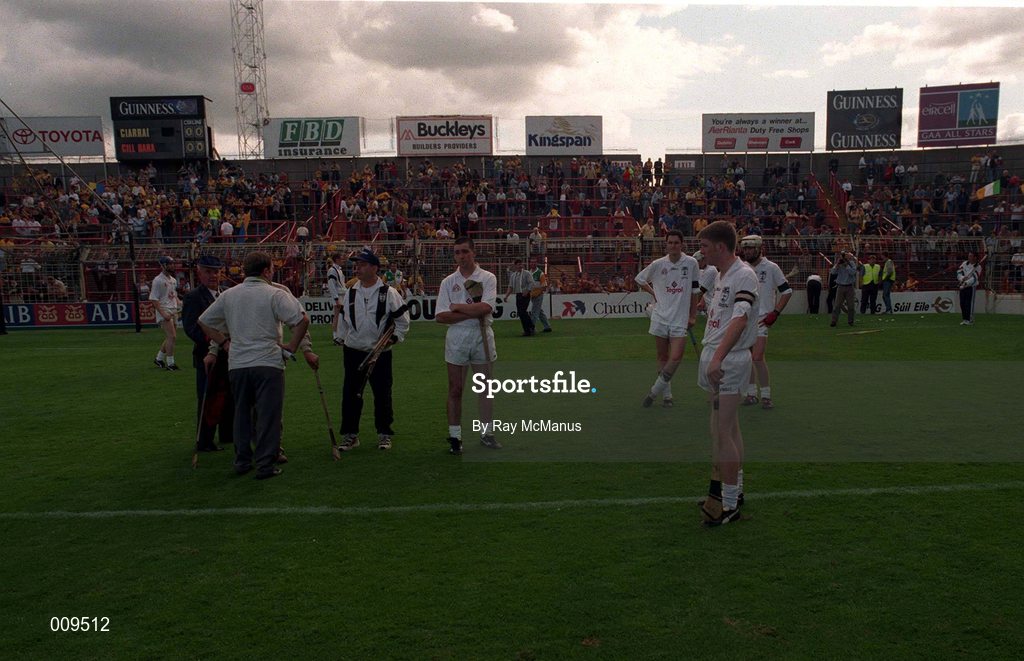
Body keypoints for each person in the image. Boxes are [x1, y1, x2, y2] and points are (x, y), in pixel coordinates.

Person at [198, 251, 312, 480]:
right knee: (268, 416)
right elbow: (302, 319)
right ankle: (265, 465)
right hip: (268, 362)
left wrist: (224, 343)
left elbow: (204, 321)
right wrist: (292, 346)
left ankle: (241, 461)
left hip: (238, 363)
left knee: (241, 414)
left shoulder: (230, 295)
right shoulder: (274, 293)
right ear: (266, 271)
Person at [696, 220, 759, 527]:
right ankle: (732, 491)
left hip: (729, 361)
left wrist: (717, 357)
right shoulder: (720, 275)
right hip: (719, 357)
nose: (701, 252)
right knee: (726, 429)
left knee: (722, 432)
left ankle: (730, 503)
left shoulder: (743, 274)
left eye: (705, 247)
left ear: (720, 247)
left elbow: (741, 318)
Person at [336, 249, 410, 451]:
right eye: (356, 264)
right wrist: (342, 339)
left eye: (362, 264)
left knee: (382, 394)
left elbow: (402, 322)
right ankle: (350, 434)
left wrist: (392, 340)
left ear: (375, 268)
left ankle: (384, 434)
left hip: (380, 353)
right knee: (350, 394)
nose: (357, 268)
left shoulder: (389, 293)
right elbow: (343, 321)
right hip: (353, 351)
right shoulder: (349, 292)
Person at [435, 236, 500, 455]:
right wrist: (470, 312)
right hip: (458, 337)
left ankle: (486, 433)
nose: (461, 256)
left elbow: (486, 308)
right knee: (455, 388)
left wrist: (456, 308)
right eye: (457, 252)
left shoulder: (488, 277)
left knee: (485, 389)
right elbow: (441, 317)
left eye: (465, 252)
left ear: (474, 252)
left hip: (482, 335)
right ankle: (455, 437)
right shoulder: (448, 282)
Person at [635, 230, 700, 408]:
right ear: (666, 244)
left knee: (676, 357)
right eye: (670, 243)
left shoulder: (691, 263)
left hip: (680, 319)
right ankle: (667, 395)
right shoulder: (658, 264)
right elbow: (639, 279)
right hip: (660, 317)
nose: (673, 246)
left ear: (682, 244)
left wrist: (693, 315)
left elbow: (695, 291)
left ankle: (653, 392)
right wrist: (654, 292)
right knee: (663, 356)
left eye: (676, 243)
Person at [181, 255, 233, 453]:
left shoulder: (227, 294)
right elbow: (192, 329)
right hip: (207, 358)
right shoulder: (193, 297)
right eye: (209, 272)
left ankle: (227, 434)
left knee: (229, 397)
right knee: (208, 399)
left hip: (229, 356)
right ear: (199, 273)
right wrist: (219, 342)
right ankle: (204, 440)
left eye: (216, 271)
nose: (213, 276)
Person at [738, 235, 792, 409]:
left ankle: (766, 395)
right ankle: (751, 394)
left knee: (758, 357)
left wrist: (775, 313)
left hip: (761, 320)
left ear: (759, 248)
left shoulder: (771, 268)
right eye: (745, 248)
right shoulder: (740, 268)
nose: (747, 251)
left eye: (750, 248)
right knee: (746, 358)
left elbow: (786, 291)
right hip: (744, 319)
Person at [150, 256, 181, 371]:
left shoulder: (173, 280)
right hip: (165, 310)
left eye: (173, 263)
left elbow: (174, 295)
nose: (172, 266)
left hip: (173, 310)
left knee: (170, 338)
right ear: (163, 265)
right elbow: (153, 299)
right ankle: (170, 363)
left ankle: (159, 359)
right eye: (169, 264)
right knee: (172, 336)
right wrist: (163, 313)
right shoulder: (158, 280)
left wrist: (180, 304)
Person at [503, 258, 537, 337]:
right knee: (522, 313)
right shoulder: (513, 275)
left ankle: (528, 330)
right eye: (518, 264)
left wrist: (527, 291)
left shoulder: (526, 273)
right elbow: (510, 286)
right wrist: (506, 295)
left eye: (521, 264)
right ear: (515, 265)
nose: (520, 266)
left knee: (522, 312)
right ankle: (531, 327)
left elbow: (532, 283)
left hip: (525, 295)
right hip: (518, 295)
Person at [830, 251, 859, 327]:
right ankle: (834, 321)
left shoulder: (851, 264)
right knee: (837, 305)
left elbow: (853, 273)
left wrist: (847, 265)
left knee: (851, 306)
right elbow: (833, 272)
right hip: (841, 286)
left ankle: (851, 321)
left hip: (849, 287)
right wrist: (837, 264)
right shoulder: (839, 265)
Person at [326, 251, 347, 346]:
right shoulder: (332, 270)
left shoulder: (339, 270)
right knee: (337, 316)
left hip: (342, 295)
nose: (343, 260)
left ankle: (341, 336)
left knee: (342, 317)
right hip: (339, 296)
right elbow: (331, 286)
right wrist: (336, 299)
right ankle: (336, 337)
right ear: (337, 259)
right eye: (341, 258)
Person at [528, 257, 552, 333]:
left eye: (534, 262)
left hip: (538, 295)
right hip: (532, 295)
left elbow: (544, 285)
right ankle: (547, 327)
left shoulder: (540, 273)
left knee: (534, 312)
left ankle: (532, 328)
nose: (533, 263)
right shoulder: (529, 273)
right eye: (532, 262)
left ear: (536, 263)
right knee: (539, 312)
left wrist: (538, 293)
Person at [957, 251, 981, 325]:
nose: (969, 257)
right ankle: (965, 319)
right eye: (969, 256)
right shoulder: (964, 264)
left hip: (971, 287)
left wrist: (966, 283)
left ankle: (970, 319)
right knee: (962, 303)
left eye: (971, 256)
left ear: (975, 257)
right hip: (963, 286)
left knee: (969, 303)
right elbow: (959, 272)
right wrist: (962, 278)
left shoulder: (978, 267)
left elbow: (974, 278)